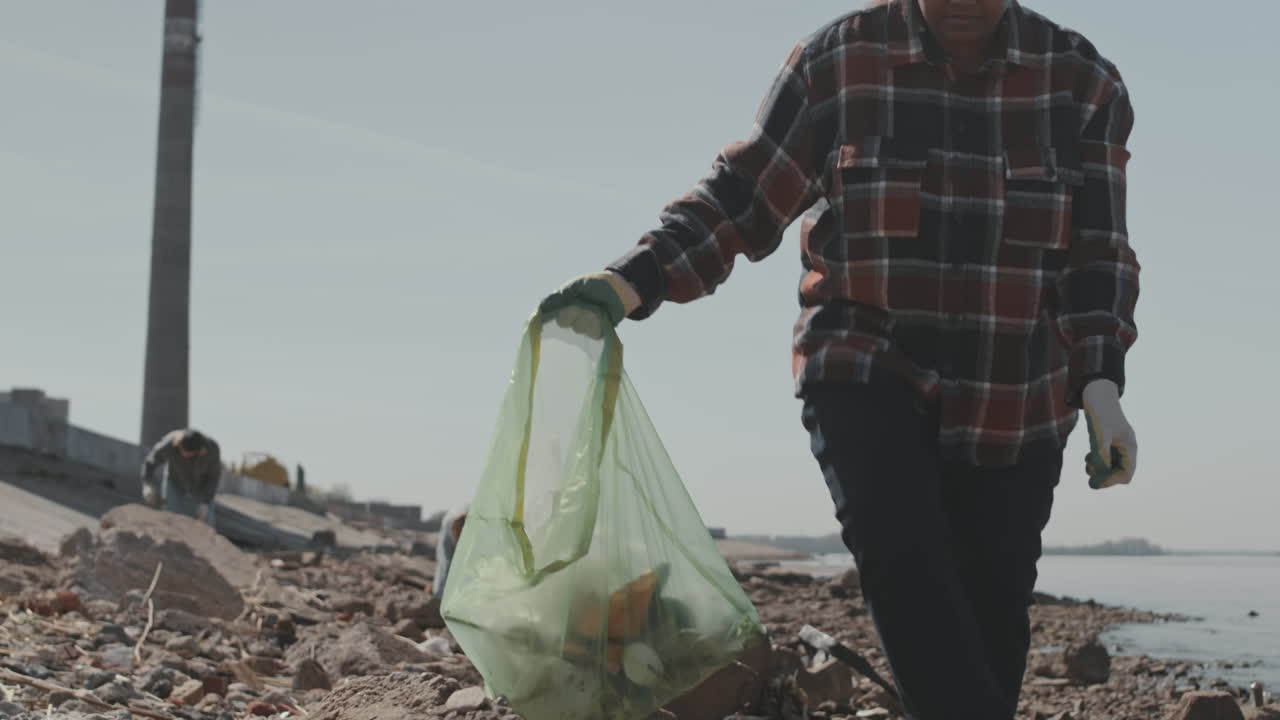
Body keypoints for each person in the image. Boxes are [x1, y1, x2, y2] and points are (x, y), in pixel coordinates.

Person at [539, 1, 1139, 717]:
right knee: (900, 551)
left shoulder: (1081, 83)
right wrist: (629, 279)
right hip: (863, 367)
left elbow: (1098, 254)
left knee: (988, 629)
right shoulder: (836, 63)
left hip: (1015, 405)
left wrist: (1101, 386)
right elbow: (743, 196)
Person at [140, 429, 222, 528]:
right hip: (174, 481)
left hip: (201, 485)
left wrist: (205, 502)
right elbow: (150, 461)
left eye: (189, 454)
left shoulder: (212, 449)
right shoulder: (169, 444)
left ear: (200, 451)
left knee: (206, 518)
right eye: (183, 452)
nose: (185, 456)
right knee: (170, 515)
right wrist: (147, 484)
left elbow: (213, 478)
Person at [434, 503, 470, 597]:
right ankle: (440, 595)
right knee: (446, 563)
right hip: (452, 521)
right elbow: (445, 564)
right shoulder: (449, 526)